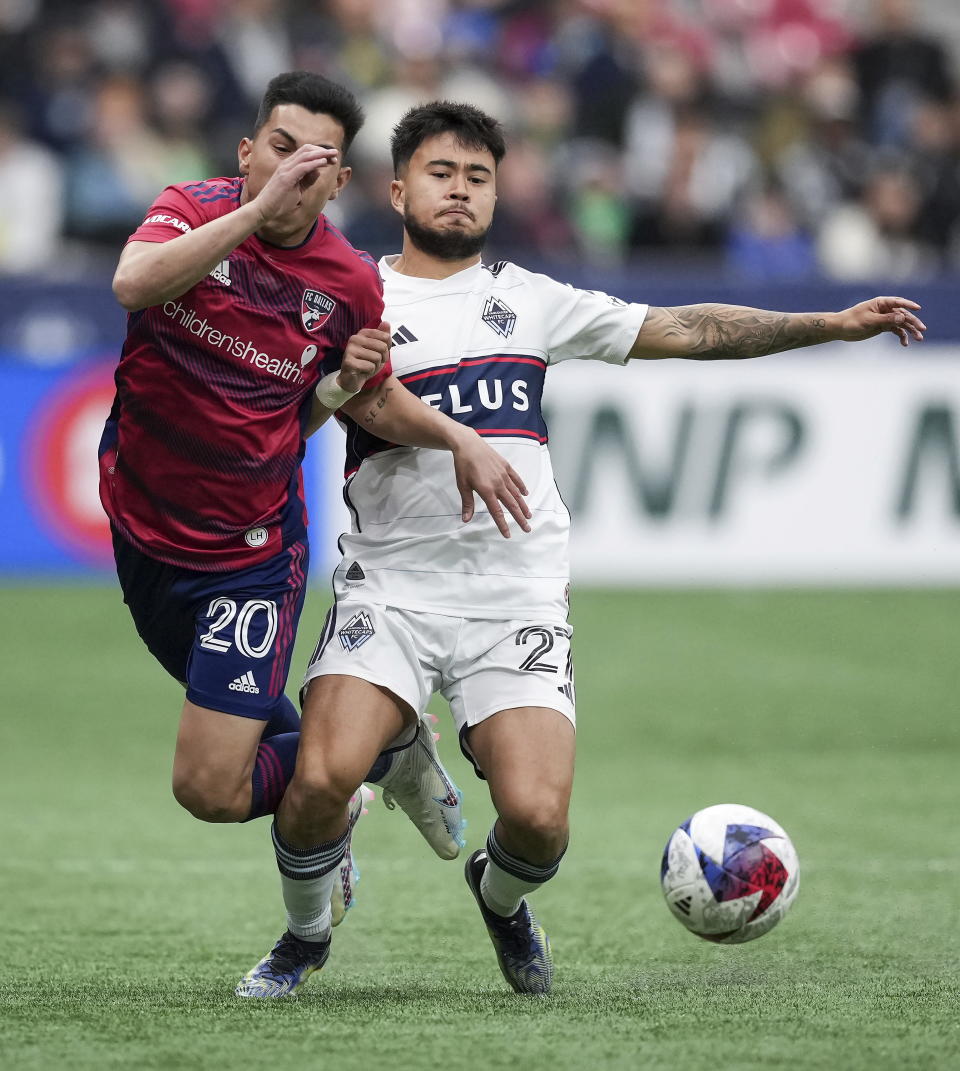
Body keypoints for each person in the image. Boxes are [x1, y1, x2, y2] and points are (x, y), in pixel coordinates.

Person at [238, 100, 926, 998]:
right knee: (322, 774)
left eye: (478, 177)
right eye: (442, 173)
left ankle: (498, 896)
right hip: (391, 586)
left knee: (538, 819)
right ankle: (305, 936)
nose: (461, 190)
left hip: (513, 595)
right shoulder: (357, 293)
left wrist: (825, 326)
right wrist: (444, 433)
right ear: (398, 187)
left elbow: (685, 329)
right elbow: (328, 406)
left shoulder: (532, 299)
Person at [98, 73, 533, 965]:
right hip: (141, 526)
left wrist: (412, 414)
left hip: (249, 551)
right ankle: (384, 755)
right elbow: (133, 284)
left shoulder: (344, 286)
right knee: (251, 741)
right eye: (282, 146)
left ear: (340, 184)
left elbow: (314, 412)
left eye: (319, 158)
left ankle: (343, 791)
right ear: (248, 152)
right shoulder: (190, 209)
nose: (297, 167)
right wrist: (255, 216)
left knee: (211, 786)